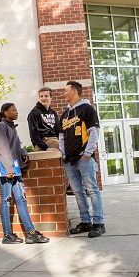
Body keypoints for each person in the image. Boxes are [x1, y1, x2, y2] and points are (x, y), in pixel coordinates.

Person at [0, 102, 49, 244]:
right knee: (6, 200)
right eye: (14, 110)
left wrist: (24, 152)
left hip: (14, 167)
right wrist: (9, 169)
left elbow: (16, 145)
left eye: (17, 110)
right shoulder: (2, 127)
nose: (16, 112)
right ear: (5, 112)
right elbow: (3, 148)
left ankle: (30, 233)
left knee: (21, 199)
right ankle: (7, 235)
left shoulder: (12, 128)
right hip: (5, 169)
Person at [59, 81, 105, 237]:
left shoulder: (88, 109)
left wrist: (87, 153)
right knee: (78, 192)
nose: (63, 94)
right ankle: (85, 222)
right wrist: (63, 154)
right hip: (69, 161)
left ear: (74, 92)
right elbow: (61, 137)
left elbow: (94, 133)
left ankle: (99, 223)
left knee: (92, 190)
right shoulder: (65, 114)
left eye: (65, 91)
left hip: (84, 159)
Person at [27, 87, 61, 151]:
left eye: (46, 96)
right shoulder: (34, 113)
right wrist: (46, 148)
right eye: (41, 96)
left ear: (51, 97)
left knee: (69, 144)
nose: (43, 98)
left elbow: (58, 130)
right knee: (65, 146)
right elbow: (33, 133)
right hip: (42, 142)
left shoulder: (53, 113)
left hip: (54, 140)